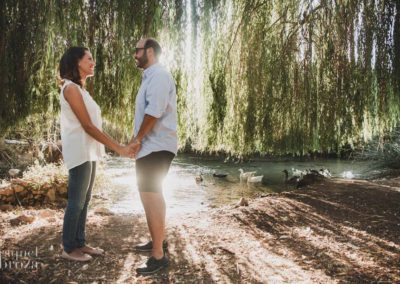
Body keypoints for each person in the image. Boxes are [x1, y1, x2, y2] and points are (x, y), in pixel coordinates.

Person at [59, 46, 134, 262]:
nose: (93, 62)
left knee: (85, 199)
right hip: (79, 150)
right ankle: (68, 247)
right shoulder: (70, 88)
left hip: (88, 151)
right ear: (77, 62)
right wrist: (118, 147)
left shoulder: (81, 90)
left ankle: (80, 243)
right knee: (76, 201)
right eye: (89, 58)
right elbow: (88, 126)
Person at [129, 38, 178, 275]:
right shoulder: (149, 76)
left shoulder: (158, 76)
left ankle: (158, 257)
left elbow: (154, 112)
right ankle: (158, 241)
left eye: (137, 50)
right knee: (151, 195)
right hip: (152, 146)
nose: (134, 55)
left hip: (156, 146)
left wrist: (137, 140)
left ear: (149, 51)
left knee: (151, 196)